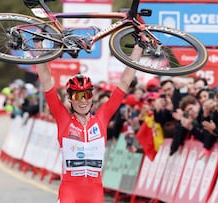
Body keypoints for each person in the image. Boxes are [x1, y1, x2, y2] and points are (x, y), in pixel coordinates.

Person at [34, 37, 143, 203]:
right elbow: (47, 80)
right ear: (70, 99)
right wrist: (38, 47)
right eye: (77, 96)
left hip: (95, 193)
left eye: (87, 94)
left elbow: (124, 81)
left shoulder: (102, 118)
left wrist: (139, 47)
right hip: (69, 192)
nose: (83, 100)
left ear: (92, 96)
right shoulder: (63, 119)